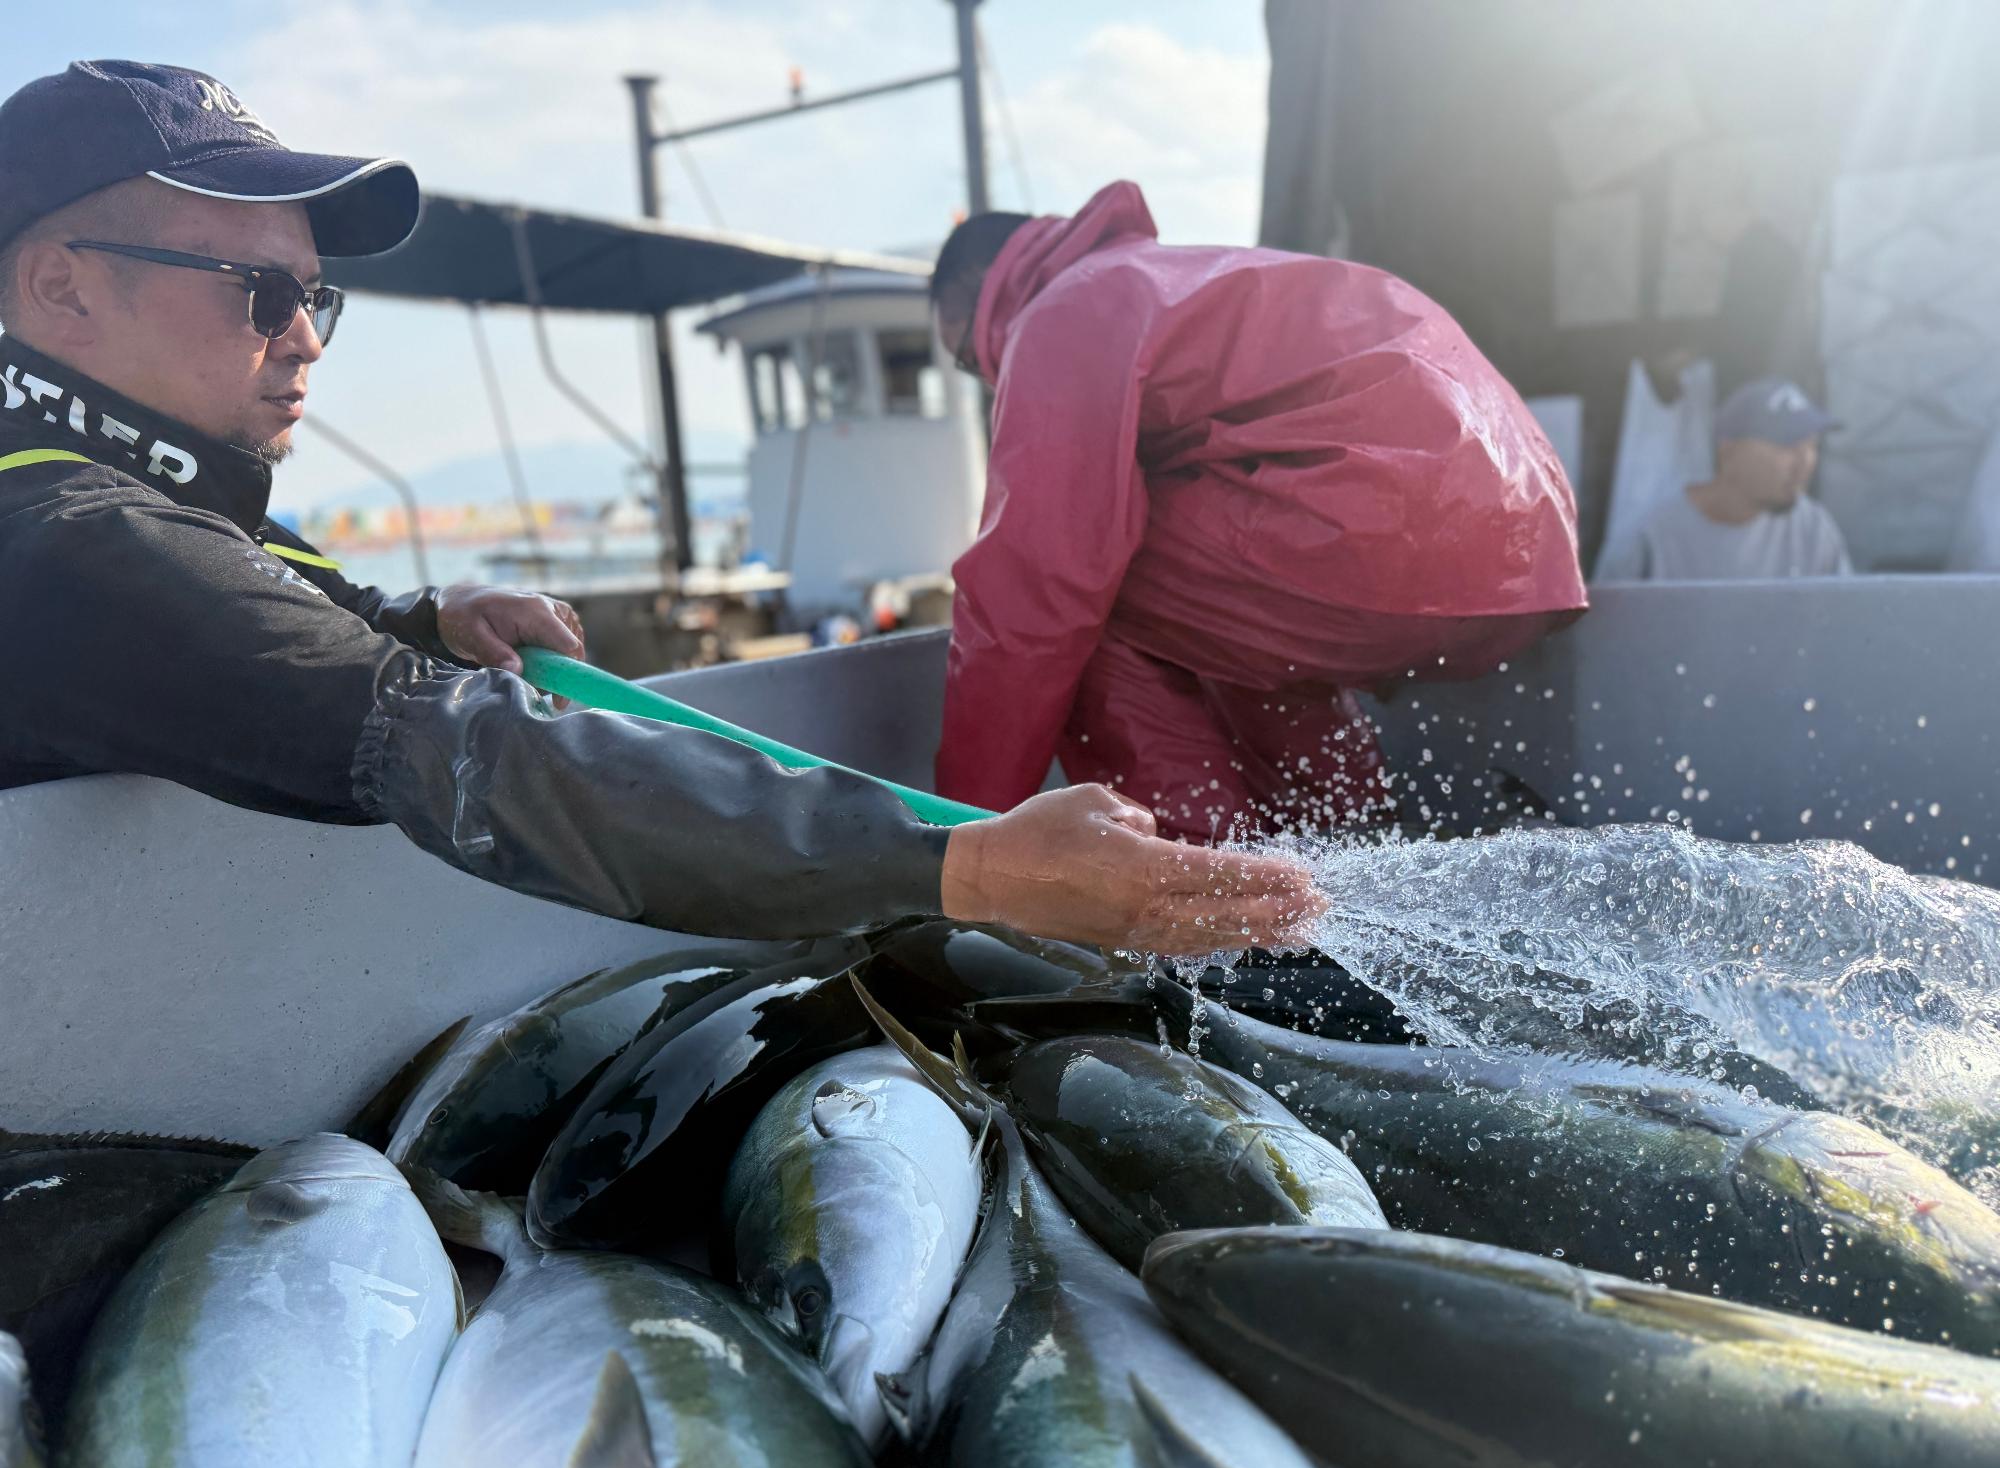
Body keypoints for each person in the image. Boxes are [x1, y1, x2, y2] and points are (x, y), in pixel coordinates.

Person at [0, 61, 1317, 956]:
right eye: (257, 291)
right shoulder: (70, 547)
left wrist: (422, 611)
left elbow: (276, 588)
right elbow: (481, 756)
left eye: (316, 297)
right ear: (60, 288)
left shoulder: (109, 492)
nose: (306, 341)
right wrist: (959, 870)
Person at [930, 182, 1587, 844]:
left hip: (1393, 532)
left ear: (980, 293)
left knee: (1088, 575)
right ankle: (1346, 849)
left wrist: (952, 845)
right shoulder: (1178, 280)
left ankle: (1196, 890)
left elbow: (1035, 584)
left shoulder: (1064, 312)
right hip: (1528, 553)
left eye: (967, 359)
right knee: (1202, 592)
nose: (986, 376)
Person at [1596, 378, 1850, 582]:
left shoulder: (1814, 528)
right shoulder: (1646, 538)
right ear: (1728, 452)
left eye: (1812, 445)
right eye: (1787, 445)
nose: (1804, 461)